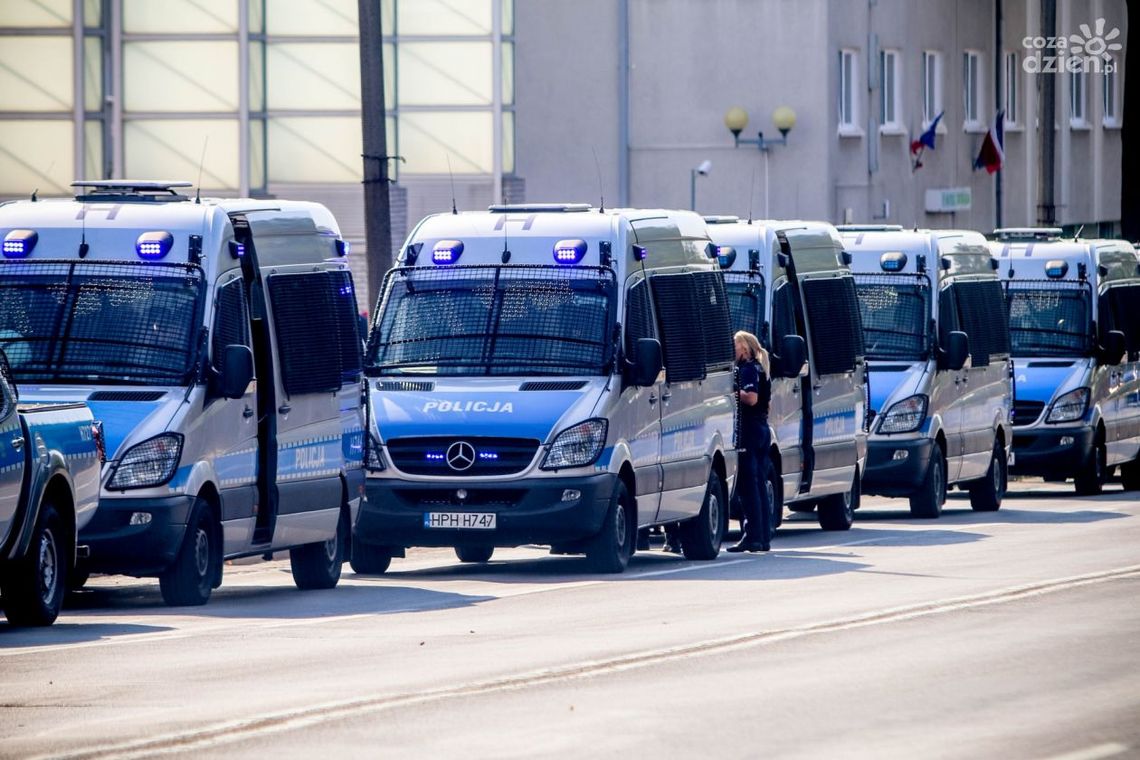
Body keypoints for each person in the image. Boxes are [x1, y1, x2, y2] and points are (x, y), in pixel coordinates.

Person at [726, 330, 774, 553]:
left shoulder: (747, 369)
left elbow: (752, 398)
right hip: (762, 428)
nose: (732, 350)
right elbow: (767, 403)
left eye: (735, 345)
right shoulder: (761, 369)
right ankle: (763, 536)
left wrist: (733, 392)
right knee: (760, 484)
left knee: (748, 485)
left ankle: (752, 536)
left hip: (749, 430)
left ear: (744, 347)